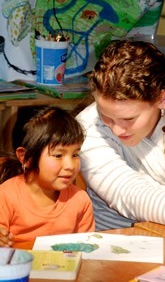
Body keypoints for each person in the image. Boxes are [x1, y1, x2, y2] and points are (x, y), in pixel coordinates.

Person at [76, 39, 165, 235]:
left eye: (129, 118)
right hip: (115, 240)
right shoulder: (86, 127)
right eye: (107, 117)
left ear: (162, 100)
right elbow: (132, 196)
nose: (117, 130)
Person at [0, 106, 95, 247]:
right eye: (58, 155)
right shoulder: (6, 196)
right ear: (26, 157)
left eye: (75, 154)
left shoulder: (80, 200)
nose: (70, 165)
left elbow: (87, 250)